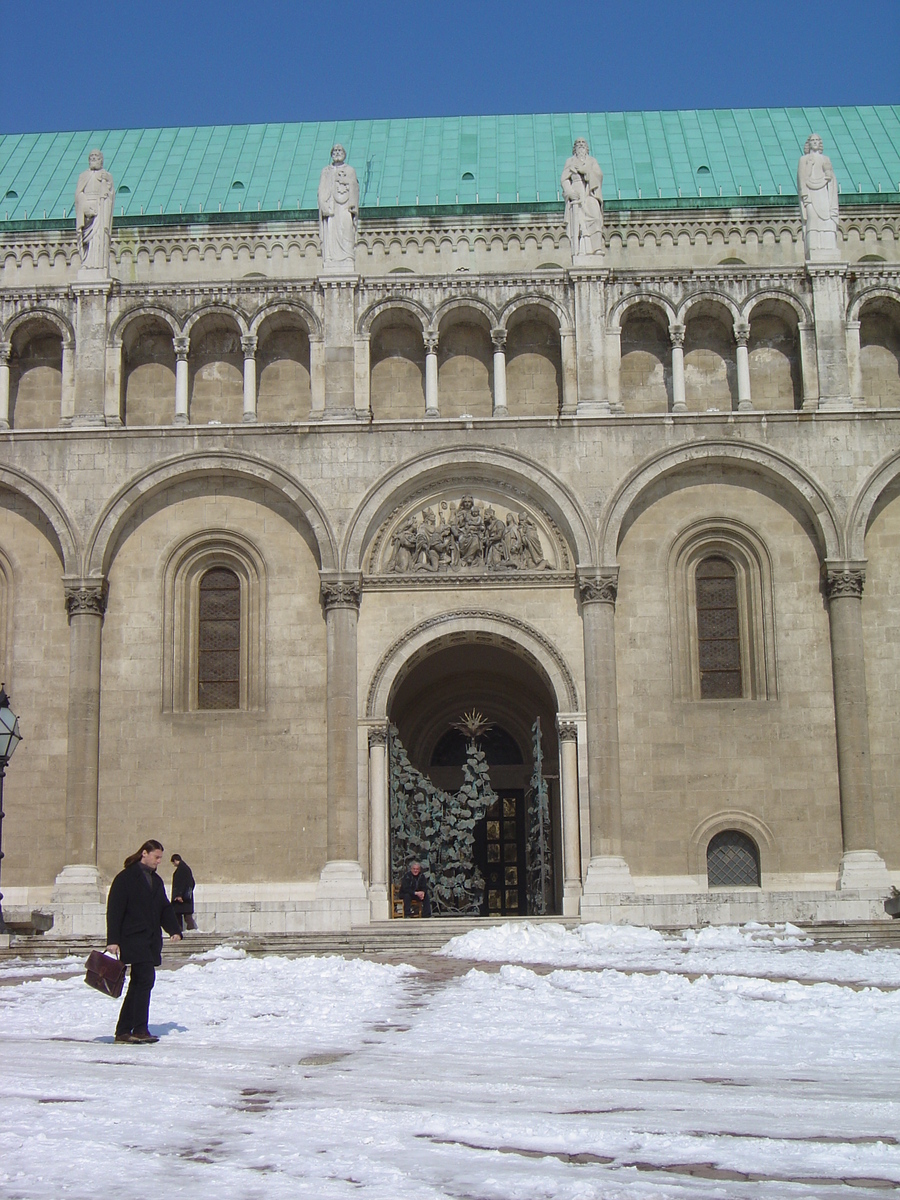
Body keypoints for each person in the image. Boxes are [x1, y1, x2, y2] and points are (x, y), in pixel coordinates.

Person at [105, 839, 182, 1044]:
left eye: (160, 858)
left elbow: (164, 908)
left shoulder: (155, 881)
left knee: (141, 983)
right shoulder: (126, 878)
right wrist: (112, 940)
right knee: (145, 979)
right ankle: (135, 1028)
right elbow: (115, 909)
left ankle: (129, 1030)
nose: (158, 861)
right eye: (156, 857)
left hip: (150, 939)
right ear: (144, 854)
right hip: (132, 938)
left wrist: (174, 929)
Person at [317, 144, 359, 269]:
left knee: (346, 227)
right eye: (334, 150)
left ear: (344, 153)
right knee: (331, 231)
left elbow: (355, 187)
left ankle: (347, 256)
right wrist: (323, 205)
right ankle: (329, 257)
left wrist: (353, 204)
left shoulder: (350, 170)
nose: (337, 152)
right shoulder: (326, 171)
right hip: (331, 209)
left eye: (339, 150)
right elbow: (321, 189)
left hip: (345, 207)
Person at [797, 133, 840, 256]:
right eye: (812, 140)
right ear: (809, 143)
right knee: (813, 218)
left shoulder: (825, 159)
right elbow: (802, 178)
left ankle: (828, 245)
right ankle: (814, 246)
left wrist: (829, 176)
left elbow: (831, 178)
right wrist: (805, 196)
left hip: (823, 194)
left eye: (817, 140)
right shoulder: (804, 160)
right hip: (810, 195)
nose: (815, 142)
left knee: (827, 219)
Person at [561, 138, 604, 257]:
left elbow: (599, 175)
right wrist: (569, 192)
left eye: (583, 143)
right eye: (578, 143)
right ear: (575, 148)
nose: (580, 145)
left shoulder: (592, 161)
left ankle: (596, 248)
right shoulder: (570, 161)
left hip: (590, 192)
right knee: (578, 223)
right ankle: (580, 249)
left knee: (595, 217)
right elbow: (564, 179)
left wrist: (586, 171)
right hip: (576, 192)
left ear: (587, 148)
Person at [74, 149, 115, 270]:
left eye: (96, 156)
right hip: (87, 211)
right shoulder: (83, 176)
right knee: (87, 239)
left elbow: (110, 194)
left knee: (99, 237)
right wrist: (85, 207)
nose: (93, 158)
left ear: (101, 160)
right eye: (91, 157)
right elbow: (78, 194)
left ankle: (98, 264)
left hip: (100, 210)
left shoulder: (106, 176)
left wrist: (107, 181)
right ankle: (86, 262)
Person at [170, 853, 197, 932]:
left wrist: (179, 895)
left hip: (182, 898)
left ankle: (182, 930)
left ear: (175, 860)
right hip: (185, 898)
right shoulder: (185, 868)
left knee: (181, 915)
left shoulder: (182, 869)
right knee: (184, 915)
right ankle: (184, 930)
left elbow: (182, 883)